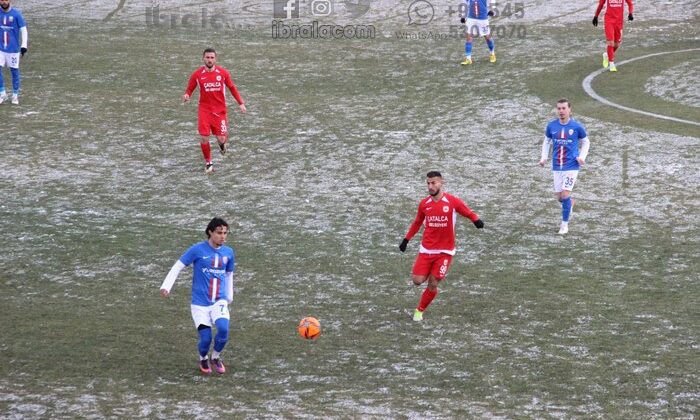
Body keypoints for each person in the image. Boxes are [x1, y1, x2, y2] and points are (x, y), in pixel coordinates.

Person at [399, 171, 484, 321]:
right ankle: (428, 274)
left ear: (441, 183)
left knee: (433, 283)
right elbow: (417, 222)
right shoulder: (424, 204)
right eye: (428, 183)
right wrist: (406, 239)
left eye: (433, 183)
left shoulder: (452, 201)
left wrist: (476, 220)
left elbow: (467, 211)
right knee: (417, 281)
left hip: (445, 252)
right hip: (426, 250)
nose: (430, 186)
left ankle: (419, 310)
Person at [160, 217, 236, 375]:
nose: (223, 236)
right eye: (219, 233)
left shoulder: (228, 253)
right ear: (210, 232)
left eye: (225, 233)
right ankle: (203, 358)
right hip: (200, 303)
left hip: (219, 301)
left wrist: (229, 296)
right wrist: (166, 286)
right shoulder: (197, 250)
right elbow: (178, 266)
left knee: (223, 329)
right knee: (206, 338)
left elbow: (229, 274)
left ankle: (215, 357)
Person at [182, 48, 246, 174]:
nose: (210, 60)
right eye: (207, 57)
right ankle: (208, 163)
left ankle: (222, 146)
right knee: (204, 137)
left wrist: (241, 103)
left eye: (212, 57)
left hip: (220, 111)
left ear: (215, 59)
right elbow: (189, 90)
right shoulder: (197, 75)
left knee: (221, 138)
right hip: (204, 110)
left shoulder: (223, 73)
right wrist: (186, 96)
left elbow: (232, 88)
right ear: (203, 58)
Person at [539, 99, 590, 235]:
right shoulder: (552, 126)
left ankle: (564, 225)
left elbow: (586, 142)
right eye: (559, 108)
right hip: (557, 165)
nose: (561, 111)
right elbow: (546, 142)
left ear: (569, 110)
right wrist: (544, 158)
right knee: (560, 197)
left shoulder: (577, 127)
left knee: (565, 194)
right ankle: (569, 204)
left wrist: (582, 157)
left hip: (571, 166)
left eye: (563, 108)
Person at [592, 0, 634, 72]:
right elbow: (601, 4)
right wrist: (596, 16)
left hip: (619, 22)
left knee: (616, 44)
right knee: (610, 42)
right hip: (609, 21)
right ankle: (611, 64)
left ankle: (606, 55)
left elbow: (630, 4)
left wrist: (630, 13)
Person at [0, 0, 28, 105]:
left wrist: (24, 45)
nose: (4, 2)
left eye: (6, 0)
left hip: (13, 50)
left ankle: (15, 95)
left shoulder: (16, 14)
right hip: (0, 49)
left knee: (14, 72)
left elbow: (24, 30)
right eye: (2, 0)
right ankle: (2, 93)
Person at [459, 0, 495, 65]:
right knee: (468, 37)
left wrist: (492, 9)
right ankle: (468, 58)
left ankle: (492, 53)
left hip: (483, 18)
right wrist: (463, 16)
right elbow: (464, 2)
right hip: (471, 18)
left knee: (487, 37)